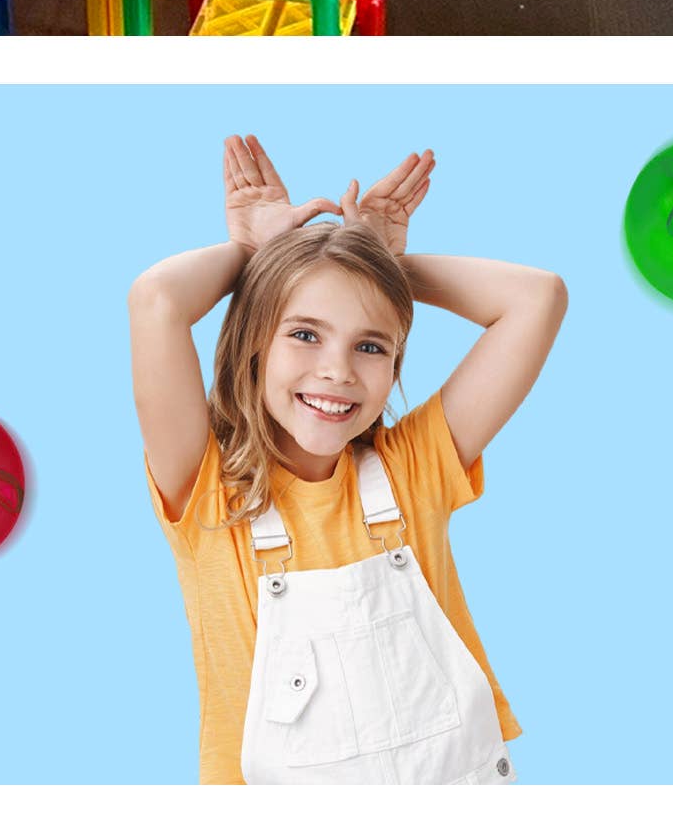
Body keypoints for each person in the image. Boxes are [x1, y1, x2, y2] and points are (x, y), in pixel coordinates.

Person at [127, 134, 566, 783]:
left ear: (395, 366)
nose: (336, 372)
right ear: (253, 343)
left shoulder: (414, 467)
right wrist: (257, 254)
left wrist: (376, 264)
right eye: (305, 333)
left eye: (370, 346)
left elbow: (540, 298)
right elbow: (155, 301)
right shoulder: (208, 491)